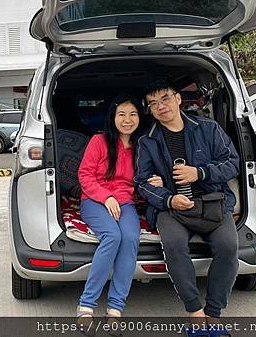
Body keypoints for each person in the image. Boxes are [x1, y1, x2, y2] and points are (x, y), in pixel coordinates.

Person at [134, 79, 239, 335]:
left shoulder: (208, 128)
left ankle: (213, 314)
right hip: (171, 208)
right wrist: (168, 198)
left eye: (165, 98)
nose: (160, 106)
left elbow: (232, 163)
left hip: (212, 202)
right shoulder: (147, 141)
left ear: (178, 99)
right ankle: (195, 313)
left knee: (228, 247)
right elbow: (141, 183)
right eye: (153, 103)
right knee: (173, 245)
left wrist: (199, 173)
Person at [76, 94, 162, 334]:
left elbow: (145, 177)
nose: (127, 120)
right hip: (95, 200)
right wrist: (106, 196)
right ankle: (86, 304)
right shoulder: (99, 141)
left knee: (131, 238)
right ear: (112, 117)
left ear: (139, 117)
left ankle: (115, 309)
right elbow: (85, 176)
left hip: (126, 203)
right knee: (112, 236)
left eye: (133, 114)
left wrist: (158, 180)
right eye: (121, 114)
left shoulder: (143, 145)